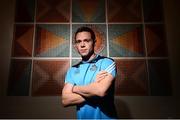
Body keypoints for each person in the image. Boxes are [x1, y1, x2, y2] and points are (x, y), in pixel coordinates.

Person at [62, 26, 117, 119]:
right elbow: (65, 100)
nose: (82, 45)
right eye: (79, 41)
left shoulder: (107, 62)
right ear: (76, 45)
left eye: (86, 40)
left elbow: (100, 91)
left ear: (94, 43)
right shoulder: (72, 70)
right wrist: (93, 90)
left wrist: (74, 88)